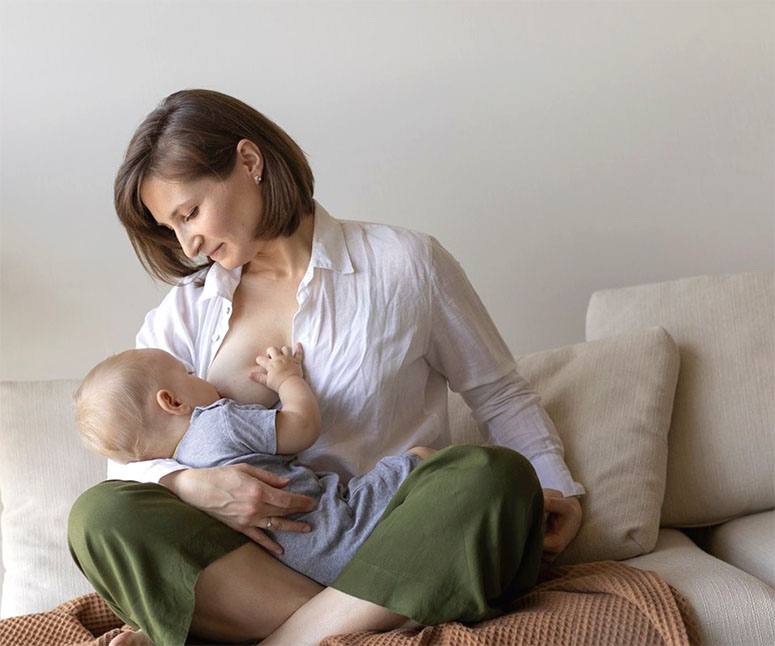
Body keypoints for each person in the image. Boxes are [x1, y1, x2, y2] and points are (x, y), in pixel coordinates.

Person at [67, 88, 585, 646]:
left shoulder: (405, 265)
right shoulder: (186, 313)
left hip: (398, 534)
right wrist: (193, 486)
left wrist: (561, 492)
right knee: (98, 517)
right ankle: (357, 622)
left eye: (190, 213)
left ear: (249, 161)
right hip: (258, 565)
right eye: (171, 228)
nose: (188, 244)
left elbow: (501, 396)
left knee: (493, 477)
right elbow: (129, 455)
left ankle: (284, 635)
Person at [74, 342, 439, 591]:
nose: (203, 378)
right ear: (172, 401)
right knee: (423, 457)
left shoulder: (181, 480)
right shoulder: (219, 421)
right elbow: (303, 426)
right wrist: (288, 379)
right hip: (346, 524)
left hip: (303, 573)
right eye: (189, 374)